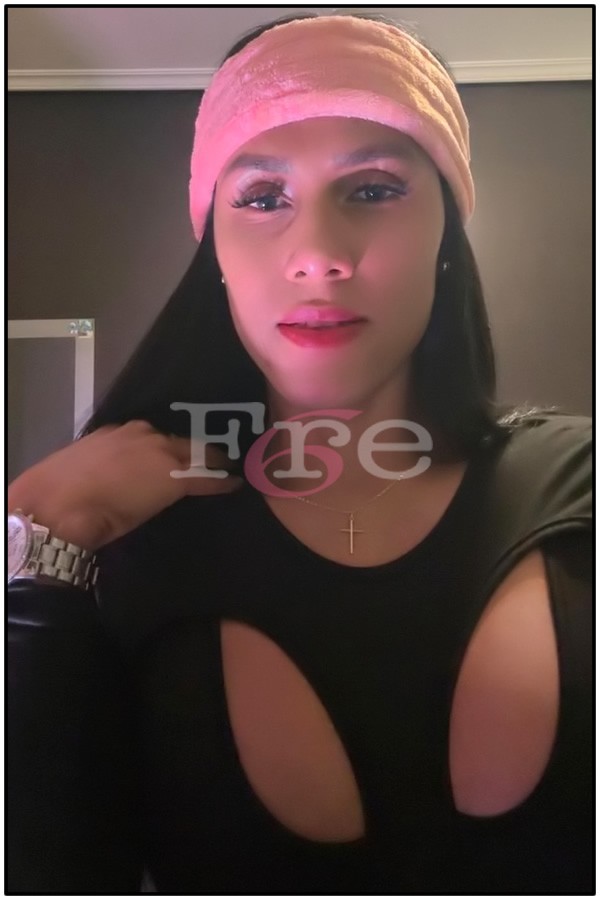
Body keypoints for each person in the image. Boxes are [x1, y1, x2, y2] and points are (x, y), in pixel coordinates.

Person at [7, 12, 592, 895]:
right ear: (216, 250)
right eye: (262, 198)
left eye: (373, 189)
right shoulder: (126, 548)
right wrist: (36, 542)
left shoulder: (582, 489)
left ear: (447, 236)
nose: (318, 256)